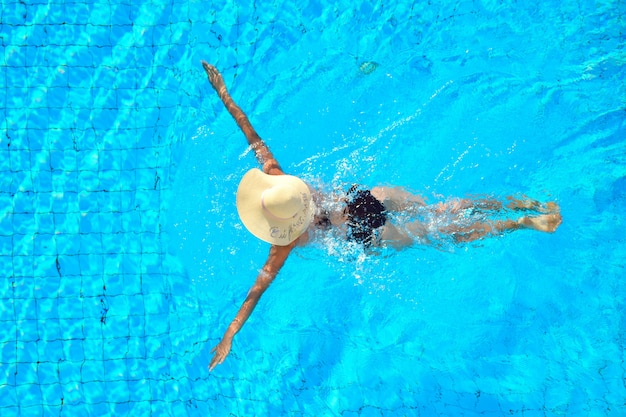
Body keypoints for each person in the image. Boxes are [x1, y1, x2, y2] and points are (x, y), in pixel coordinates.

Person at [201, 61, 562, 371]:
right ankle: (523, 204)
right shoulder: (277, 173)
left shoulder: (285, 242)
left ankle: (521, 224)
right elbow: (251, 134)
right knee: (444, 208)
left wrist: (229, 335)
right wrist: (224, 93)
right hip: (367, 197)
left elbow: (255, 294)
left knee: (445, 233)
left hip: (364, 235)